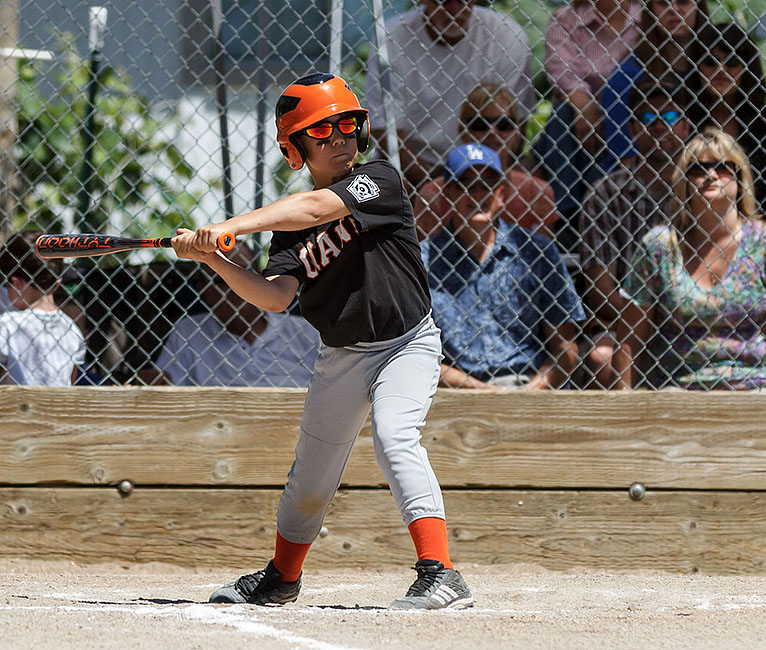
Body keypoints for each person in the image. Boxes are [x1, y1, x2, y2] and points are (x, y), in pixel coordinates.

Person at [172, 73, 473, 610]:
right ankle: (282, 577)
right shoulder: (287, 232)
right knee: (310, 475)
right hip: (343, 355)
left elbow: (315, 209)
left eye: (349, 126)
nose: (340, 139)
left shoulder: (379, 179)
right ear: (296, 148)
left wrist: (231, 226)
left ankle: (442, 572)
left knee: (394, 436)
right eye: (322, 131)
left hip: (407, 342)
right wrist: (214, 257)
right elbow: (274, 295)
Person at [612, 129, 766, 391]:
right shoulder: (660, 246)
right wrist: (624, 412)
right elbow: (630, 339)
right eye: (698, 169)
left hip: (755, 388)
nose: (710, 176)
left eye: (723, 167)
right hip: (680, 391)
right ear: (684, 181)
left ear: (740, 177)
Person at [421, 143, 585, 390]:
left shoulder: (536, 252)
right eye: (466, 185)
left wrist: (529, 392)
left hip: (531, 384)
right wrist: (479, 390)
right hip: (458, 391)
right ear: (449, 194)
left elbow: (565, 346)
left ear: (501, 194)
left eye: (487, 185)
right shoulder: (422, 260)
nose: (478, 195)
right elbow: (416, 356)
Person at [578, 78, 690, 388]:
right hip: (623, 320)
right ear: (632, 128)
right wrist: (647, 322)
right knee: (602, 356)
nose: (659, 127)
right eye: (648, 119)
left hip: (695, 316)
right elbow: (600, 289)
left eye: (669, 117)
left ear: (685, 126)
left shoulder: (701, 190)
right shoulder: (604, 194)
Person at [365, 0, 534, 189]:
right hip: (411, 164)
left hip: (482, 160)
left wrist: (482, 179)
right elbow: (385, 129)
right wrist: (430, 190)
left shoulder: (506, 35)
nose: (455, 10)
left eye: (463, 1)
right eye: (444, 2)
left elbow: (513, 123)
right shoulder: (392, 36)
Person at [536, 0, 642, 228]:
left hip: (627, 113)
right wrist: (585, 108)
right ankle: (566, 214)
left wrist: (608, 113)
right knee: (561, 115)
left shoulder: (644, 18)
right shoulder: (566, 19)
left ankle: (598, 214)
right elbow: (561, 71)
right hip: (577, 119)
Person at [153, 243, 320, 387]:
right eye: (220, 280)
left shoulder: (305, 331)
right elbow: (166, 382)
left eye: (244, 273)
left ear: (260, 276)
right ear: (203, 289)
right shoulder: (189, 332)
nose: (234, 287)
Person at [685, 22, 766, 231]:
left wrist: (743, 241)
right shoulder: (683, 128)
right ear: (696, 68)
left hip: (755, 243)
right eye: (710, 61)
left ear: (747, 67)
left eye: (732, 61)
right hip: (693, 239)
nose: (721, 69)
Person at [415, 82, 559, 241]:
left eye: (504, 125)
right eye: (480, 124)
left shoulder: (536, 192)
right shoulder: (433, 194)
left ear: (517, 132)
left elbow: (541, 256)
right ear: (463, 131)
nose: (492, 132)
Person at [600, 0, 712, 170]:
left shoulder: (716, 68)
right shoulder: (626, 77)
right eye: (663, 3)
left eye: (683, 1)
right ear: (650, 11)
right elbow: (624, 158)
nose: (674, 9)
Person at [0, 230, 85, 386]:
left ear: (16, 283)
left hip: (14, 408)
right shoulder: (72, 330)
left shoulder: (6, 325)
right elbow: (70, 382)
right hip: (56, 408)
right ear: (57, 284)